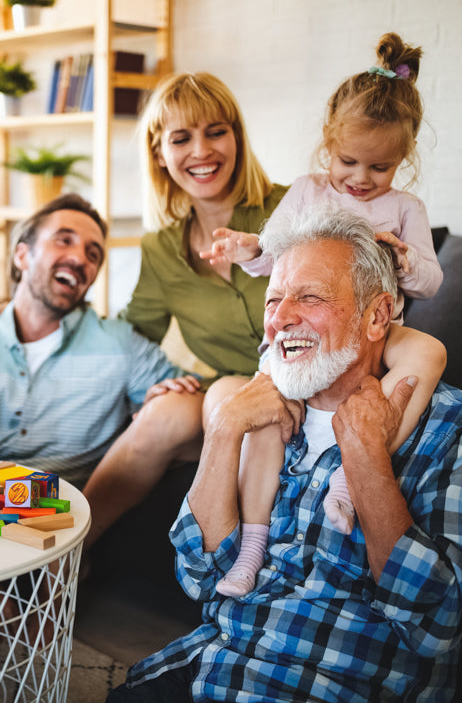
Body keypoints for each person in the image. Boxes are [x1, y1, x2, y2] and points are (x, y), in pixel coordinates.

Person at [107, 203, 462, 703]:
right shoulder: (265, 411)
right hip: (216, 664)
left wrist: (365, 461)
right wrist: (226, 426)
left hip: (333, 685)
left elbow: (438, 624)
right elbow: (200, 576)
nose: (282, 318)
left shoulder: (446, 427)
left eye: (310, 297)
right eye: (274, 300)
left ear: (378, 316)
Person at [201, 32, 446, 596]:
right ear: (326, 148)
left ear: (402, 161)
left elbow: (431, 282)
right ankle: (252, 548)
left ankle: (350, 472)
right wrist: (246, 249)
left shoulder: (405, 208)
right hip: (304, 342)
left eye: (379, 167)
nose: (360, 179)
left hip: (377, 334)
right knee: (266, 423)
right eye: (348, 161)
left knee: (428, 351)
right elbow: (271, 251)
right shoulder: (310, 191)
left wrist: (404, 258)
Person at [82, 71, 288, 550]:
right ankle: (66, 558)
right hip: (228, 397)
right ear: (160, 153)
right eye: (182, 138)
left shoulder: (293, 207)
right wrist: (34, 312)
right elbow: (129, 334)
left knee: (226, 406)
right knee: (163, 412)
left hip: (303, 388)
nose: (202, 151)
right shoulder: (161, 249)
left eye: (216, 131)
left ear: (236, 136)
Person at [0, 193, 198, 491]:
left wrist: (168, 398)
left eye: (93, 254)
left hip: (68, 522)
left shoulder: (121, 343)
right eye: (64, 240)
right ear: (21, 255)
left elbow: (195, 418)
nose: (79, 259)